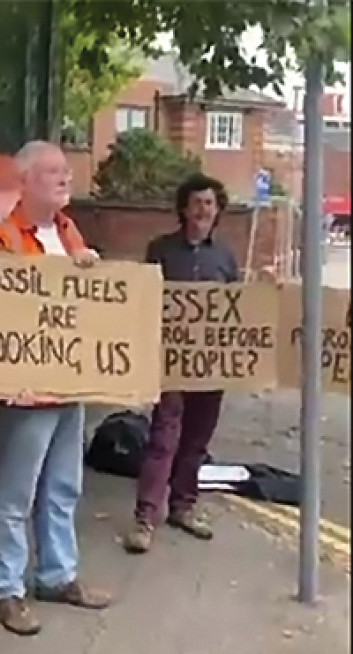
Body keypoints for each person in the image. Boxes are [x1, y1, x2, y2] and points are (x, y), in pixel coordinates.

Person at [0, 140, 112, 637]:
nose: (65, 178)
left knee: (62, 486)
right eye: (52, 171)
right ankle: (4, 588)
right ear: (25, 180)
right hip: (23, 394)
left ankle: (57, 574)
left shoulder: (71, 233)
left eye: (66, 171)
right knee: (15, 492)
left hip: (67, 387)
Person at [124, 173, 238, 555]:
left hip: (210, 366)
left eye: (210, 203)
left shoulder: (225, 257)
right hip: (170, 363)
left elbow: (238, 308)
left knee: (196, 440)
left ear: (217, 210)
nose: (203, 209)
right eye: (197, 203)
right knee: (164, 438)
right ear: (184, 209)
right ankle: (145, 518)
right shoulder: (161, 250)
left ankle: (183, 506)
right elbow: (142, 298)